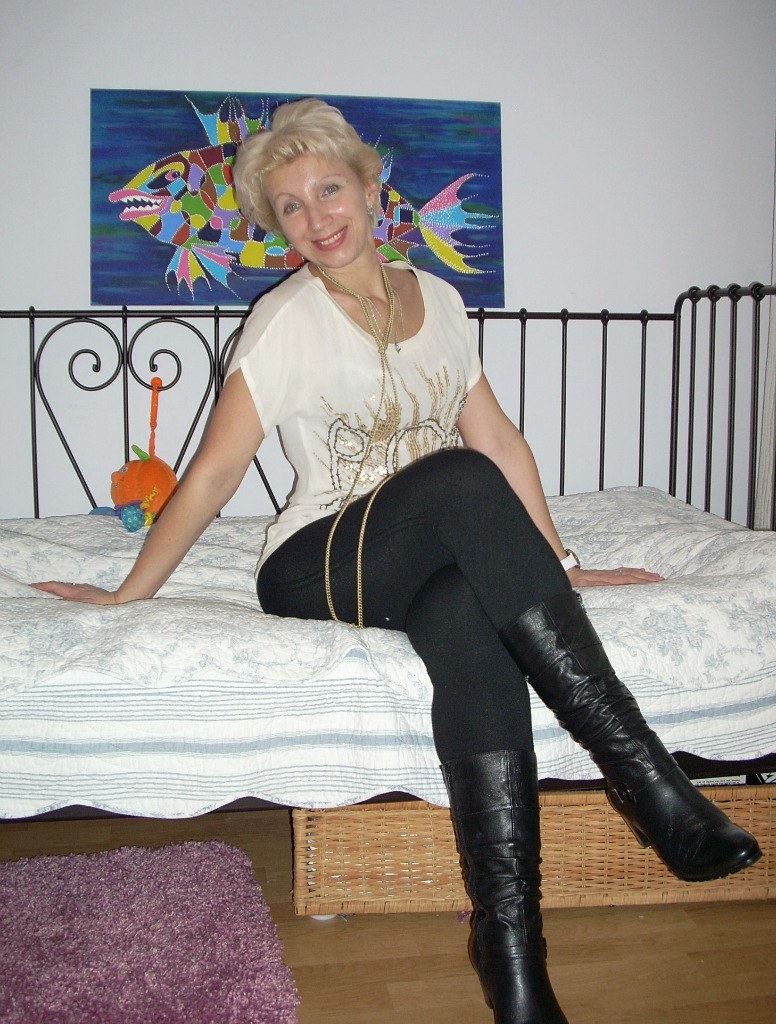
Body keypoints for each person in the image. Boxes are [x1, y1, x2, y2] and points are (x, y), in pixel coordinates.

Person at [34, 99, 761, 1024]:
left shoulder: (443, 303)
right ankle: (650, 781)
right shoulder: (283, 319)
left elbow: (501, 439)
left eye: (329, 189)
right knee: (457, 480)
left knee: (468, 613)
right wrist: (127, 595)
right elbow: (215, 472)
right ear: (277, 227)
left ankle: (512, 955)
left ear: (372, 190)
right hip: (317, 562)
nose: (316, 217)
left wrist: (561, 566)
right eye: (290, 206)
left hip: (427, 559)